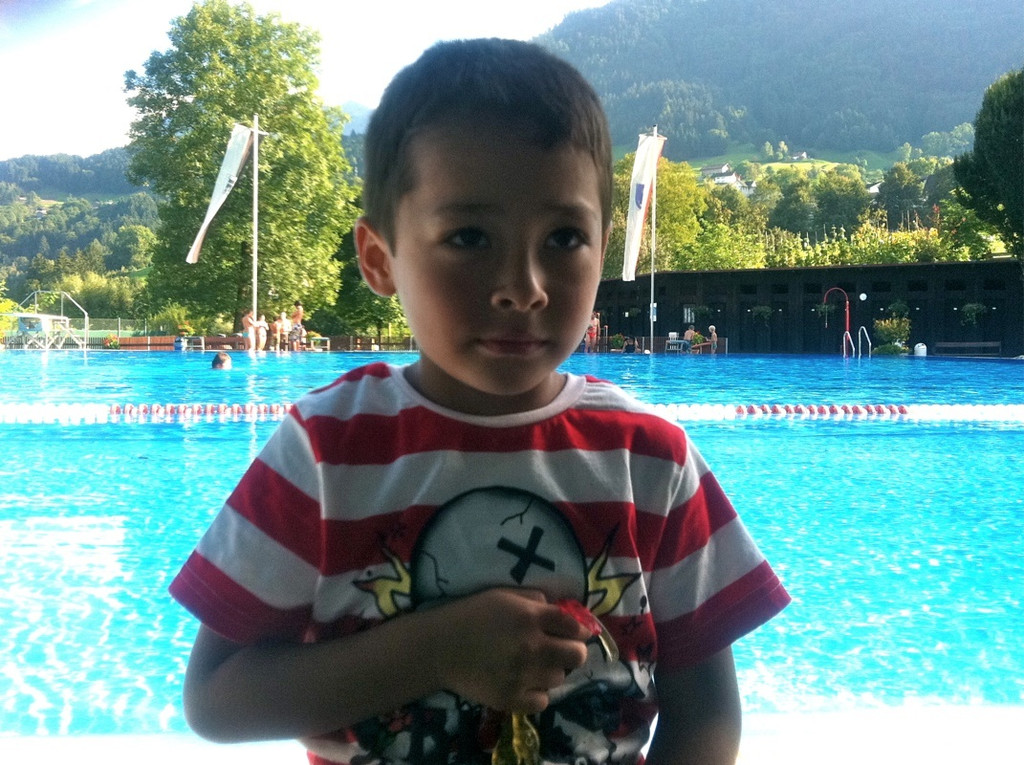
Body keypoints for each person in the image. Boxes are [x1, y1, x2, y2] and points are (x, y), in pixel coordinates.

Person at [170, 39, 789, 765]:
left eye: (564, 237)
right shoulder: (326, 451)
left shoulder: (650, 460)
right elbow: (215, 699)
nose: (523, 287)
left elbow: (707, 716)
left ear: (603, 246)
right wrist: (434, 649)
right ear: (379, 259)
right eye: (469, 237)